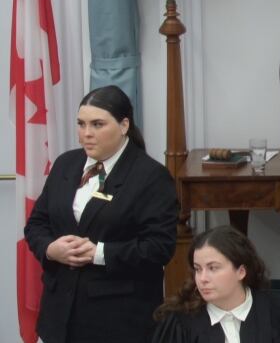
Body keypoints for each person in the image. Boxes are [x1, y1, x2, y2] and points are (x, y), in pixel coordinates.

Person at [24, 85, 179, 343]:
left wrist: (98, 253)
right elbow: (36, 224)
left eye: (97, 124)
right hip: (58, 318)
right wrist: (51, 249)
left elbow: (159, 247)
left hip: (117, 322)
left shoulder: (151, 177)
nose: (87, 134)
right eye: (81, 124)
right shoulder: (65, 164)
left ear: (124, 125)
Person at [152, 225, 280, 343]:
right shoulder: (179, 323)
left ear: (241, 271)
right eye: (198, 269)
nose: (202, 278)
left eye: (213, 268)